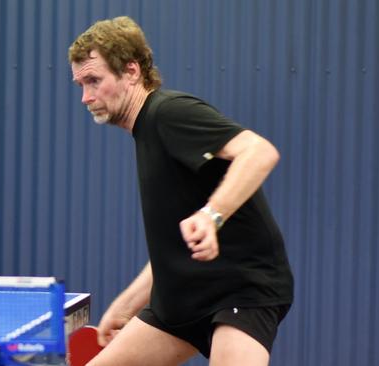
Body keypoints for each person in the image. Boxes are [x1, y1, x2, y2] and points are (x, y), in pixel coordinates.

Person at [68, 16, 294, 366]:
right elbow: (173, 248)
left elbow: (259, 151)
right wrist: (127, 304)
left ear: (131, 72)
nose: (86, 97)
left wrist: (211, 215)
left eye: (94, 81)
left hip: (240, 292)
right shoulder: (145, 133)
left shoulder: (169, 112)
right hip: (180, 303)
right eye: (80, 84)